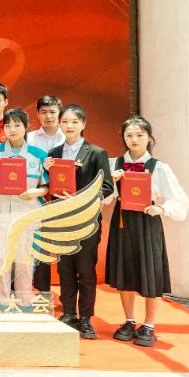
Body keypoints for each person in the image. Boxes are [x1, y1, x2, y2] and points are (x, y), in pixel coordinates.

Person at [105, 116, 189, 348]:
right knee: (124, 271)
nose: (134, 139)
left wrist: (161, 208)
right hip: (122, 221)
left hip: (147, 221)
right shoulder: (114, 164)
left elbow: (180, 199)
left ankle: (149, 325)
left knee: (151, 271)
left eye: (139, 135)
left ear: (149, 137)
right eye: (129, 135)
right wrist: (110, 181)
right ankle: (129, 321)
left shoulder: (159, 167)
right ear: (123, 137)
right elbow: (104, 197)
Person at [43, 104, 114, 339]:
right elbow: (48, 186)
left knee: (85, 270)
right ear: (59, 125)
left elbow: (106, 187)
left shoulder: (96, 153)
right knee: (64, 268)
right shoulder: (53, 153)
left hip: (86, 221)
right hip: (62, 220)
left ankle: (85, 318)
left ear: (83, 124)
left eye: (74, 122)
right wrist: (46, 171)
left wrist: (79, 198)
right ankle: (68, 313)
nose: (69, 126)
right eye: (65, 122)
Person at [0, 108, 48, 306]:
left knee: (25, 261)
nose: (12, 129)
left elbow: (46, 186)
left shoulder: (38, 154)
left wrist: (35, 192)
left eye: (17, 125)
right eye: (8, 125)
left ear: (26, 127)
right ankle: (2, 302)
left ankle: (24, 301)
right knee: (1, 260)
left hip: (29, 215)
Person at [26, 94, 63, 293]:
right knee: (36, 244)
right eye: (44, 112)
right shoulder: (29, 138)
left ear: (59, 113)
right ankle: (40, 291)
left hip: (62, 199)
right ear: (37, 114)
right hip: (35, 197)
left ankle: (63, 296)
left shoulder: (68, 137)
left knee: (62, 247)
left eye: (52, 112)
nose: (48, 116)